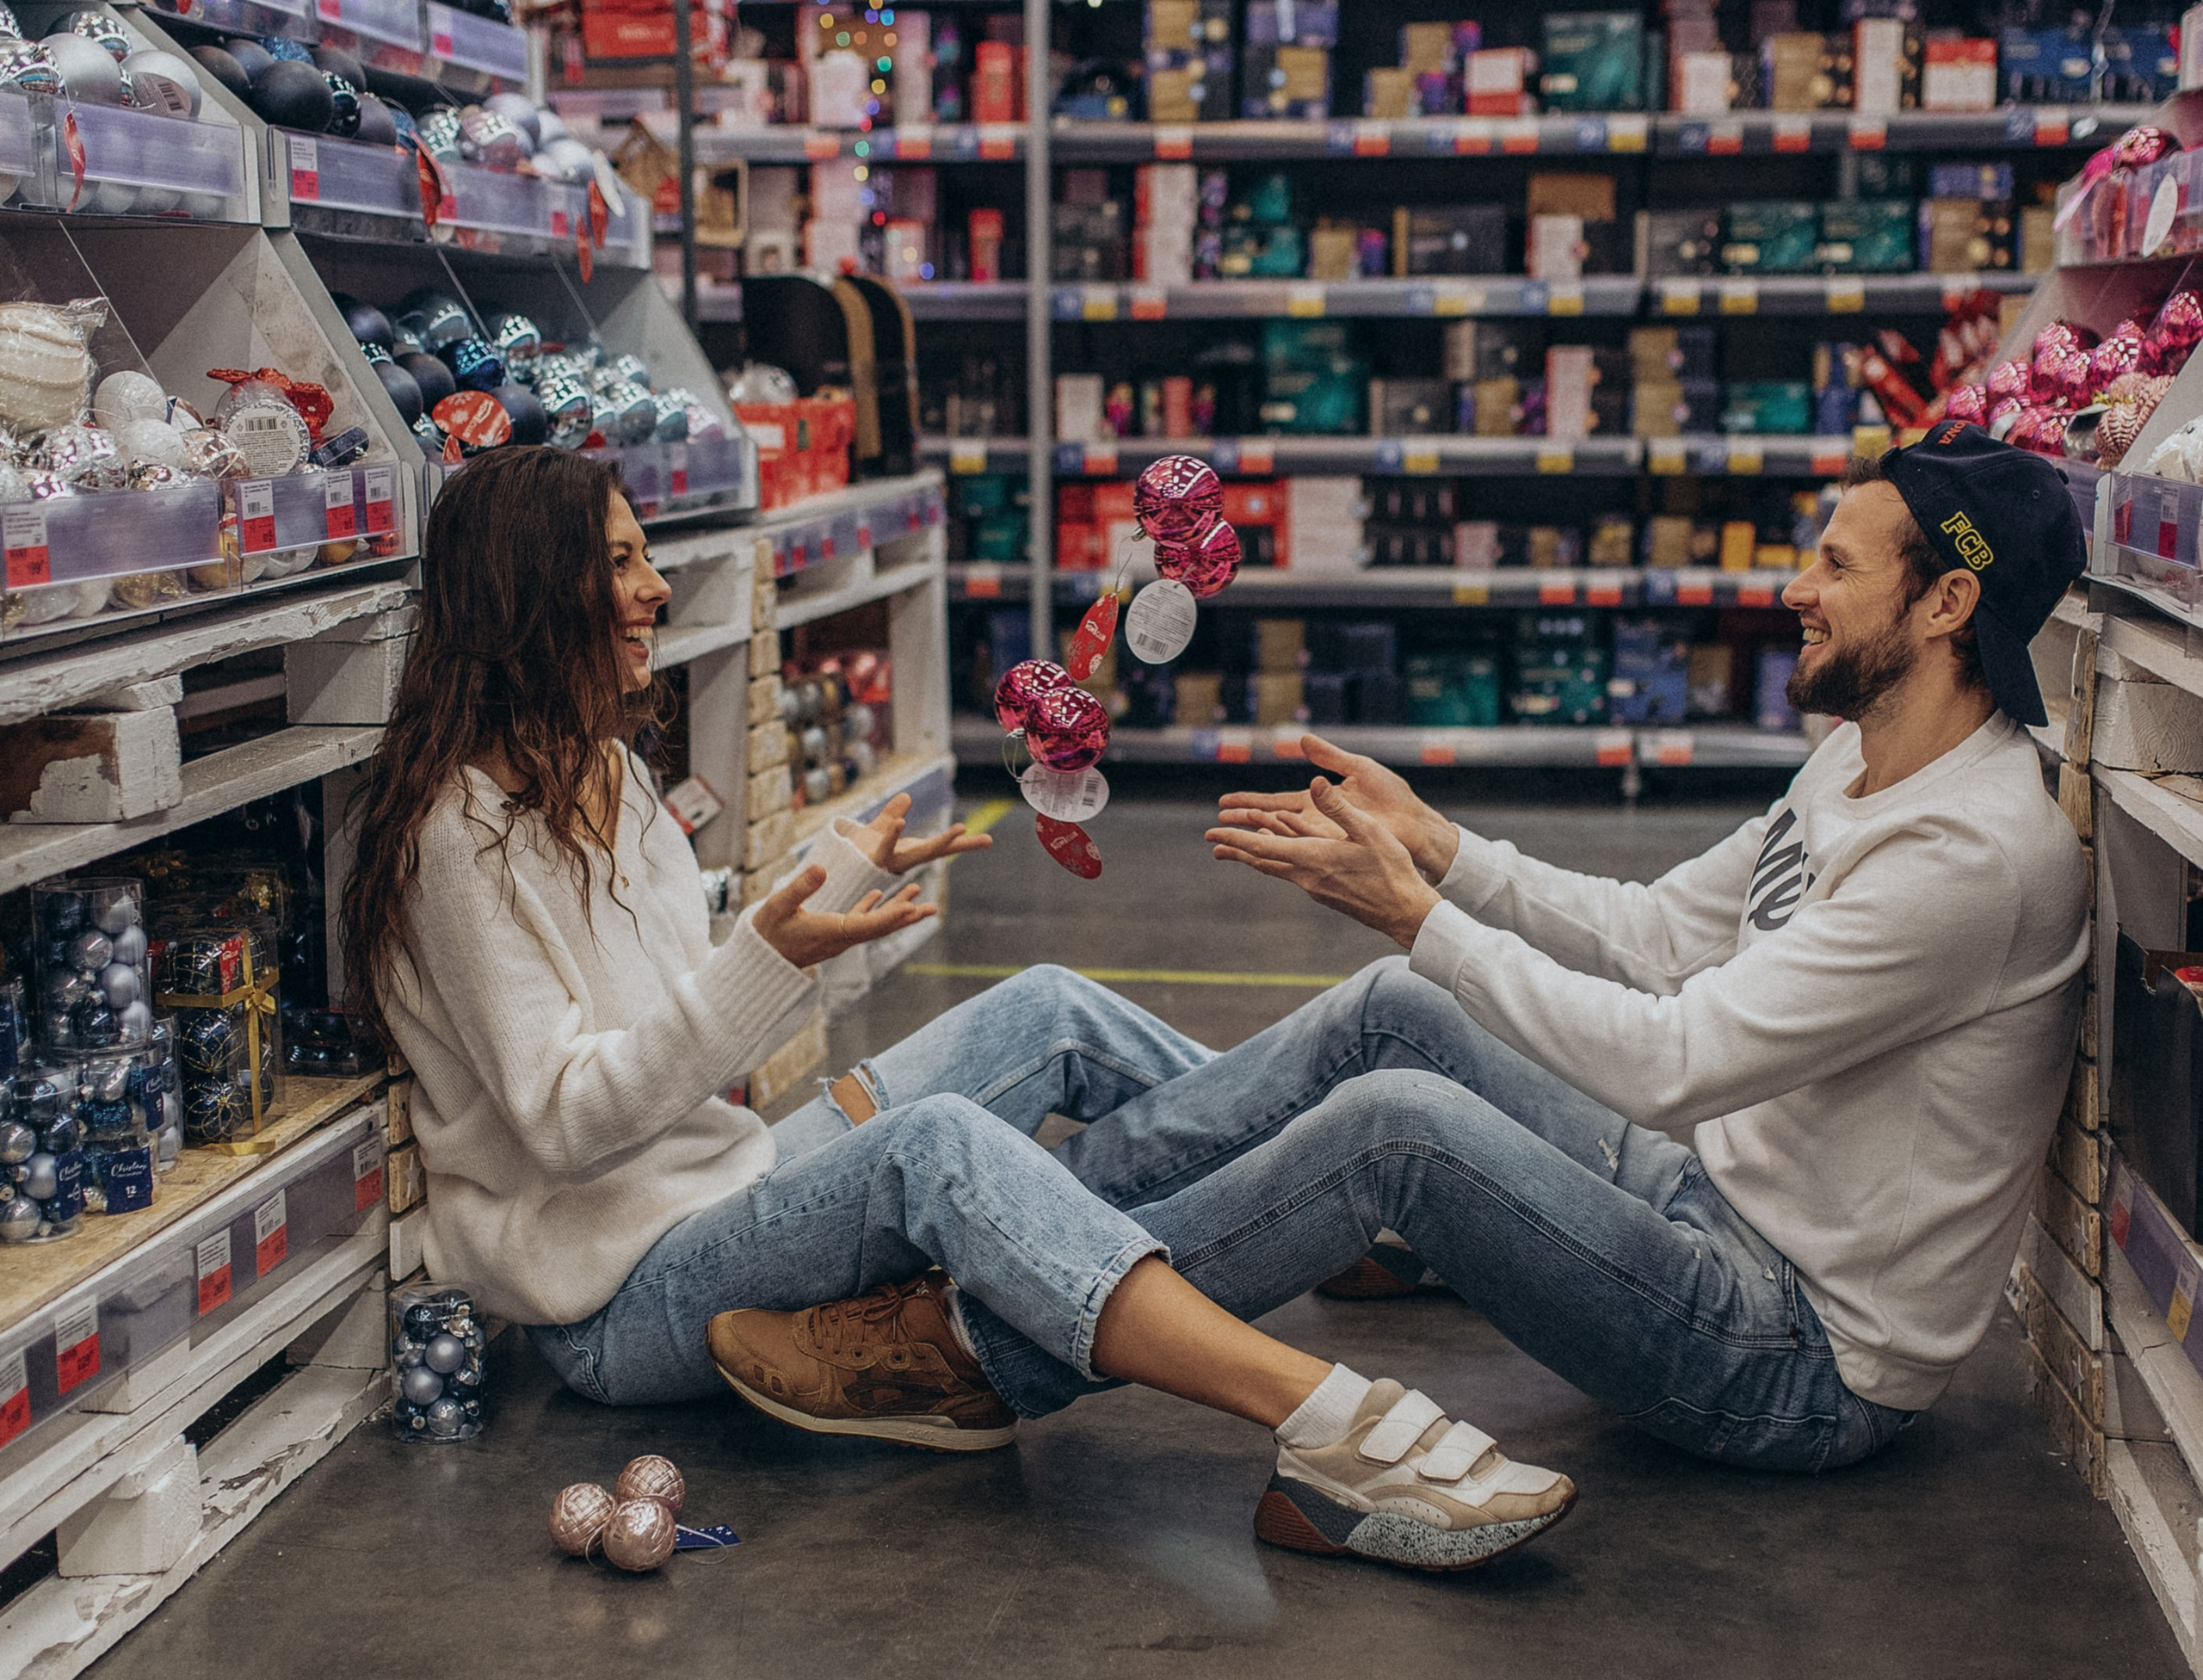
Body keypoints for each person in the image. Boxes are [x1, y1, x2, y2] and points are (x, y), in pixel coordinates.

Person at [727, 426, 2088, 1507]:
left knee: (1403, 1136)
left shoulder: (1967, 856)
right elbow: (1664, 933)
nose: (1793, 587)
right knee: (1399, 1008)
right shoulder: (1862, 751)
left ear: (1948, 603)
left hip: (1793, 1355)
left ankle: (973, 1352)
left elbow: (1677, 1063)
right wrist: (1441, 853)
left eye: (1837, 567)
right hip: (1713, 1200)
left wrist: (1414, 911)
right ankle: (1021, 1247)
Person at [339, 450, 1576, 1578]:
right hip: (616, 1297)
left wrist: (833, 879)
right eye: (618, 562)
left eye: (644, 555)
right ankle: (1331, 1432)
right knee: (941, 1151)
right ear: (527, 590)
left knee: (1047, 1008)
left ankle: (1326, 1203)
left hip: (726, 1179)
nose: (655, 587)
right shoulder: (456, 840)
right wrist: (766, 961)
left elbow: (676, 1000)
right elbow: (563, 1122)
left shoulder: (605, 771)